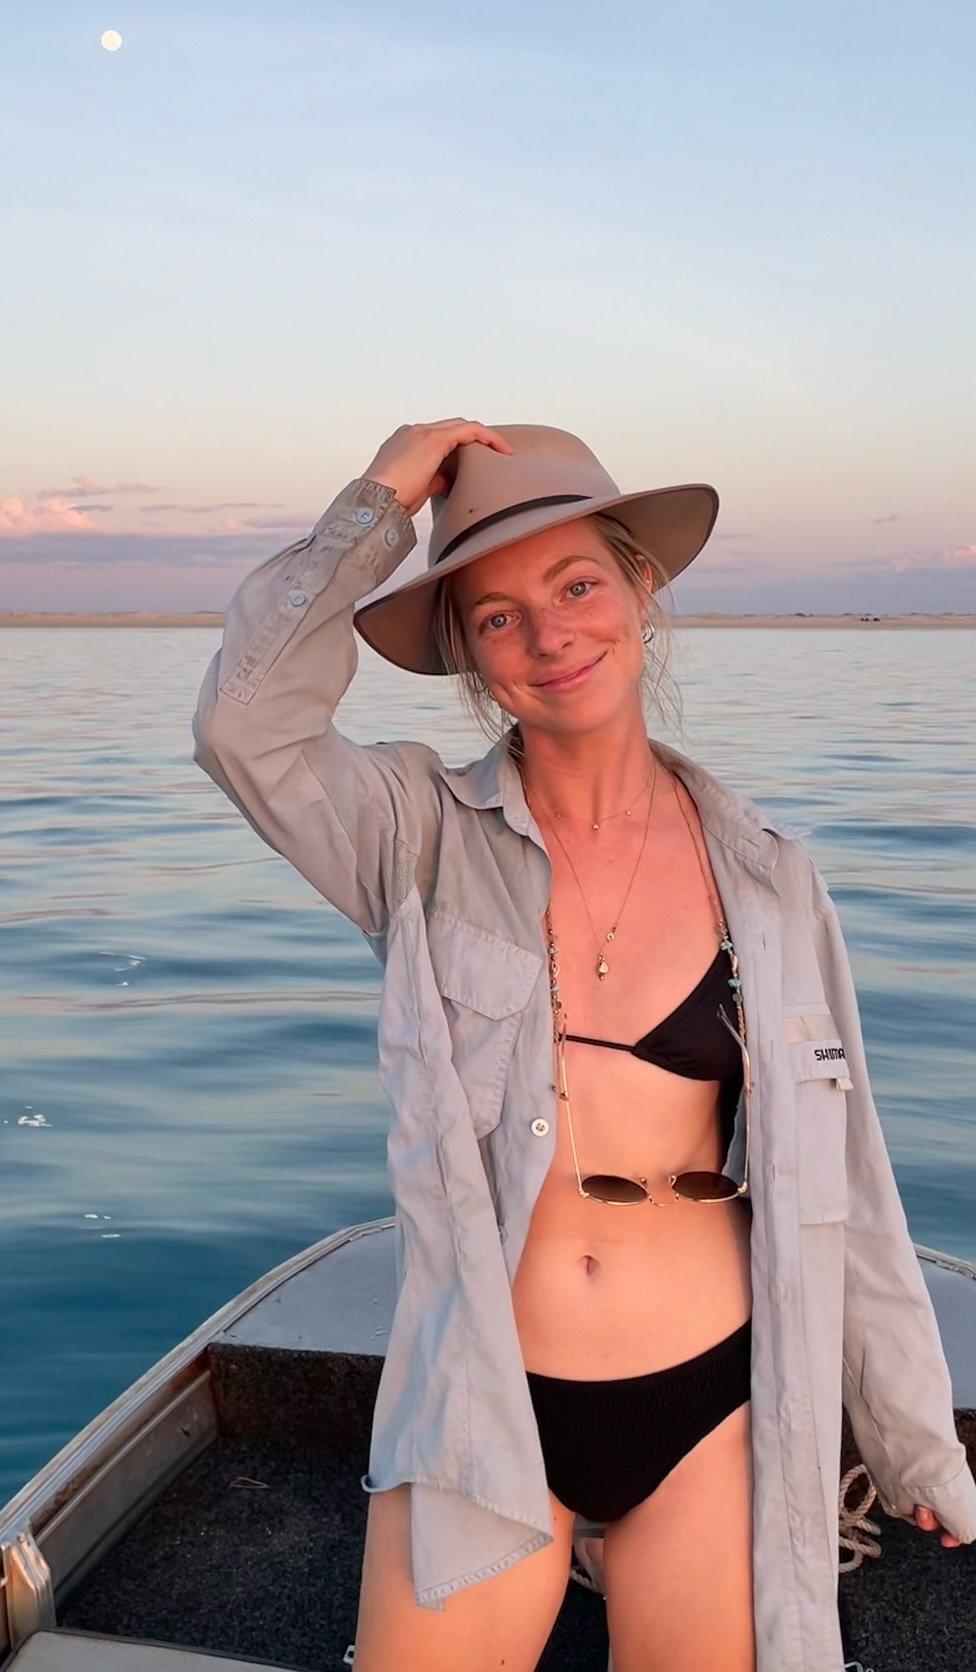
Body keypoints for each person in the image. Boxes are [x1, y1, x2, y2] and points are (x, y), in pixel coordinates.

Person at [192, 419, 975, 1671]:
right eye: (496, 616)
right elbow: (246, 726)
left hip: (711, 1409)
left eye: (576, 585)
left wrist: (911, 1437)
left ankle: (618, 1552)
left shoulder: (771, 879)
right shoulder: (411, 836)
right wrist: (384, 494)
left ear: (640, 589)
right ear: (464, 653)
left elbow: (851, 1183)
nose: (551, 636)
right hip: (485, 1406)